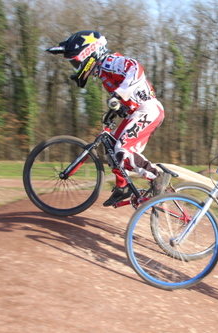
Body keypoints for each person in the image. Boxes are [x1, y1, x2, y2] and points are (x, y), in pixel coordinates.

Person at [47, 31, 165, 207]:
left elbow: (135, 67)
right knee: (111, 147)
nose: (75, 67)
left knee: (122, 149)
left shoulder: (110, 62)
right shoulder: (102, 72)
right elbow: (126, 101)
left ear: (88, 53)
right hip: (137, 112)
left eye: (75, 62)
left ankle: (156, 176)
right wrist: (116, 110)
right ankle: (122, 187)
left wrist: (118, 94)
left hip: (148, 109)